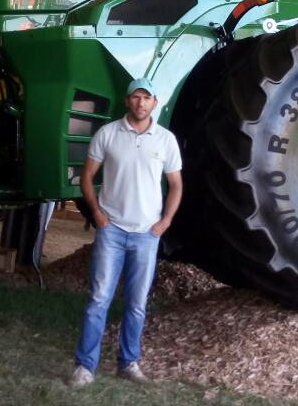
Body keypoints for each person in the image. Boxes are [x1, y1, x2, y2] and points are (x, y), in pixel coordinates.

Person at [70, 78, 183, 387]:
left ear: (155, 103)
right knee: (98, 299)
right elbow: (87, 176)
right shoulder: (107, 134)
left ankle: (128, 362)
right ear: (127, 100)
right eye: (136, 96)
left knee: (136, 303)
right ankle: (85, 367)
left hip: (147, 234)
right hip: (112, 231)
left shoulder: (165, 140)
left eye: (147, 97)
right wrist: (96, 213)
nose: (141, 102)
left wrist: (165, 222)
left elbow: (176, 184)